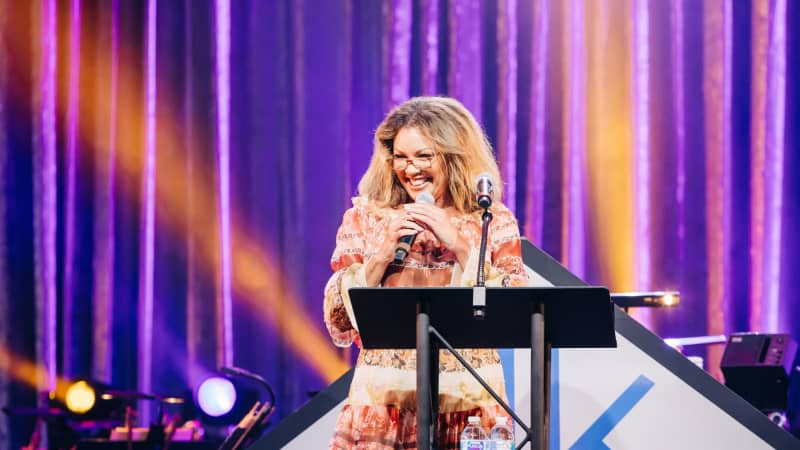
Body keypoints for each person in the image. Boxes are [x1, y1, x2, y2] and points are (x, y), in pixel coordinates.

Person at [324, 96, 528, 449]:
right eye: (401, 157)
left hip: (467, 407)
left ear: (454, 156)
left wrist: (462, 246)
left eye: (423, 156)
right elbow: (338, 324)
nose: (411, 169)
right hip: (384, 405)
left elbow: (517, 312)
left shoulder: (490, 220)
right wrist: (380, 257)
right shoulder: (365, 218)